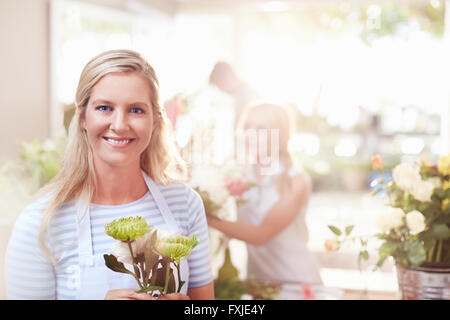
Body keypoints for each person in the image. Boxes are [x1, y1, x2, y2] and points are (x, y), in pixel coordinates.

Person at [4, 49, 214, 300]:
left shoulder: (185, 204)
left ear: (155, 120)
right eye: (104, 108)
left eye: (136, 110)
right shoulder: (40, 223)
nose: (119, 125)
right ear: (83, 117)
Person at [207, 103, 322, 297]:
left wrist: (206, 217)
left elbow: (261, 235)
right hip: (258, 283)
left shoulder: (296, 180)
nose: (251, 134)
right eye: (247, 128)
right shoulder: (238, 175)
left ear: (280, 134)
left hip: (296, 284)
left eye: (261, 128)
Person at [209, 61, 259, 128]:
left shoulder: (246, 94)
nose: (221, 90)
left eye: (219, 85)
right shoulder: (241, 93)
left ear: (226, 78)